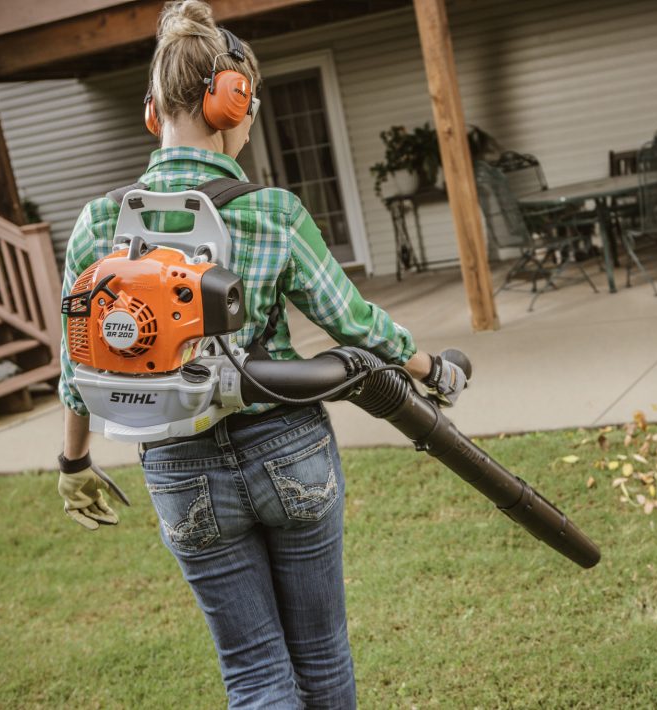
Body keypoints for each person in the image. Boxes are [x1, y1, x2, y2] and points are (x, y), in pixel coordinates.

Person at [54, 2, 465, 707]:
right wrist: (433, 370)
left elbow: (78, 361)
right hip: (288, 449)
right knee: (322, 656)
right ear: (230, 102)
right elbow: (355, 325)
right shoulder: (271, 210)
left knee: (252, 671)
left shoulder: (100, 222)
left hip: (179, 469)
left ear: (153, 112)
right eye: (251, 104)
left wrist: (73, 462)